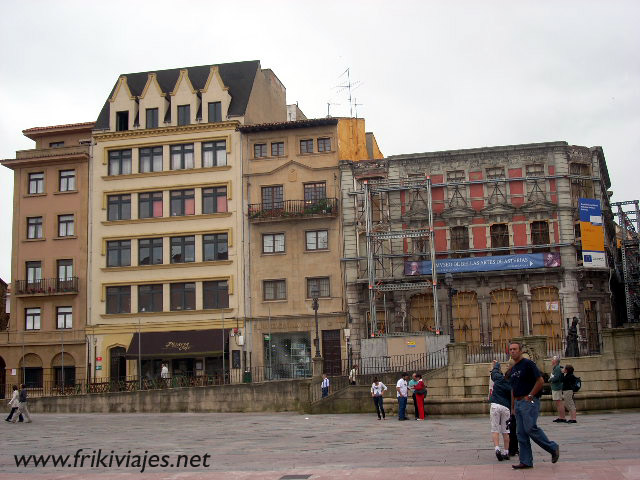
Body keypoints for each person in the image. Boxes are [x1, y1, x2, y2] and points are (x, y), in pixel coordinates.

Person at [509, 342, 559, 469]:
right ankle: (526, 461)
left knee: (530, 428)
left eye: (515, 349)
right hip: (519, 403)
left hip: (528, 401)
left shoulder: (528, 364)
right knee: (520, 433)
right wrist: (513, 407)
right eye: (510, 349)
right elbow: (513, 390)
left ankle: (552, 447)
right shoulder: (513, 368)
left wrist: (530, 395)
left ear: (520, 351)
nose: (512, 351)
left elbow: (540, 381)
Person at [489, 360, 512, 461]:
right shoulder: (511, 384)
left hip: (495, 405)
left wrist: (496, 365)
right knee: (506, 431)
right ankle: (506, 452)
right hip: (506, 407)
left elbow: (494, 373)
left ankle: (497, 449)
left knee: (495, 429)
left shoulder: (498, 378)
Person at [549, 356, 565, 422]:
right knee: (558, 403)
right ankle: (560, 417)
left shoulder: (557, 368)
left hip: (557, 387)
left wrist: (550, 379)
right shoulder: (555, 368)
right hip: (555, 387)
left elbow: (557, 378)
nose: (551, 361)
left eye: (552, 360)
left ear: (555, 361)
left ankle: (562, 418)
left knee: (559, 403)